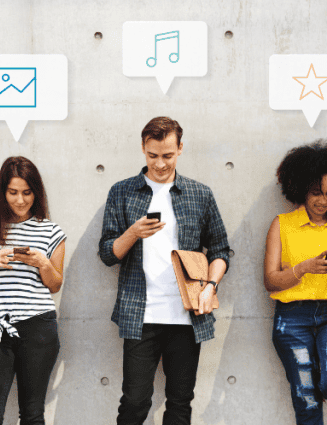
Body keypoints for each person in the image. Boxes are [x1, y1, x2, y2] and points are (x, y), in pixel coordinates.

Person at [98, 116, 229, 425]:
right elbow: (107, 254)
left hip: (187, 314)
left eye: (167, 155)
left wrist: (210, 286)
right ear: (143, 149)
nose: (159, 163)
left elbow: (221, 250)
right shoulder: (123, 192)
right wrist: (133, 233)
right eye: (152, 155)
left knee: (180, 404)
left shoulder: (200, 194)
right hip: (140, 315)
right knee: (134, 402)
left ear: (180, 149)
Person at [0, 156, 66, 425]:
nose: (20, 200)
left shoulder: (51, 231)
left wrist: (42, 262)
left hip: (38, 327)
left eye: (27, 193)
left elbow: (55, 284)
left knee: (32, 414)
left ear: (36, 193)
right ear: (3, 192)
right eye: (13, 192)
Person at [263, 140, 327, 425]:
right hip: (292, 318)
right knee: (306, 401)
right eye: (316, 193)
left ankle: (317, 367)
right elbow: (270, 282)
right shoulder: (282, 224)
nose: (323, 200)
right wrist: (305, 268)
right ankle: (307, 374)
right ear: (301, 189)